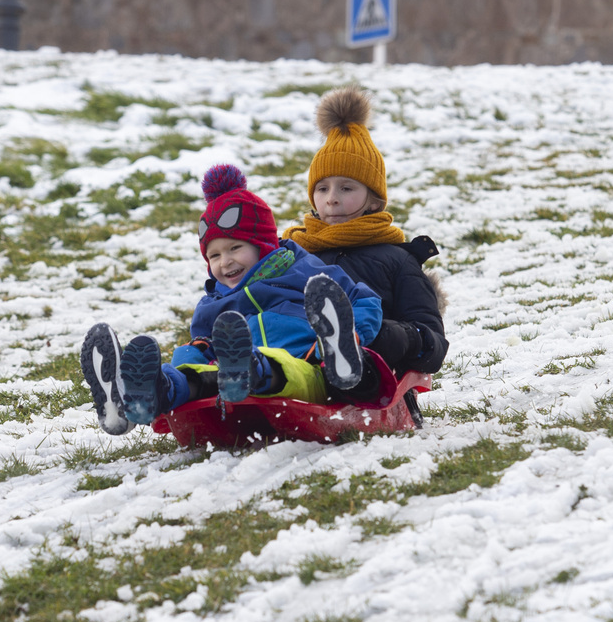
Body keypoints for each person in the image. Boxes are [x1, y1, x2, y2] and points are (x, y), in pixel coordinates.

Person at [79, 163, 386, 436]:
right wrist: (191, 358)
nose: (225, 262)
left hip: (305, 365)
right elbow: (204, 346)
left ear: (264, 244)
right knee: (194, 367)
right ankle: (144, 394)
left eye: (235, 248)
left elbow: (363, 299)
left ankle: (254, 367)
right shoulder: (213, 302)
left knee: (281, 368)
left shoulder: (301, 269)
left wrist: (349, 336)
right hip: (227, 376)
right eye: (214, 255)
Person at [282, 85, 448, 423]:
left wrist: (388, 335)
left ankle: (345, 354)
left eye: (347, 188)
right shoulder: (292, 254)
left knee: (356, 355)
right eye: (322, 188)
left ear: (374, 199)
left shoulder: (396, 260)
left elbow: (433, 344)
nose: (332, 199)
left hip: (372, 374)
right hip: (297, 356)